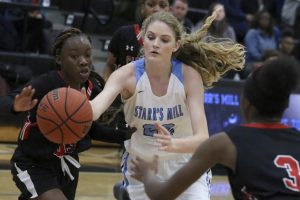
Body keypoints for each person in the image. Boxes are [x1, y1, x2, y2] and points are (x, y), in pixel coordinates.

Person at [89, 10, 245, 199]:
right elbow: (95, 109)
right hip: (142, 167)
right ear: (142, 39)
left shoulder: (189, 77)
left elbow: (202, 138)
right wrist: (80, 107)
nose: (155, 44)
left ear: (176, 45)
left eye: (164, 40)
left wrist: (174, 144)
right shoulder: (125, 75)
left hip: (186, 166)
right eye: (151, 37)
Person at [130, 57, 300, 200]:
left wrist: (148, 173)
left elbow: (161, 195)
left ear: (246, 103)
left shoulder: (225, 143)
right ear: (285, 106)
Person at [0, 27, 134, 200]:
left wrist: (126, 135)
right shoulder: (46, 84)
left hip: (67, 163)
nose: (84, 61)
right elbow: (4, 101)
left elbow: (89, 129)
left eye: (87, 55)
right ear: (59, 59)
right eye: (74, 56)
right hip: (34, 163)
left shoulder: (91, 88)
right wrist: (16, 105)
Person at [102, 0, 170, 81]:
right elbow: (109, 66)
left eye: (162, 6)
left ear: (169, 10)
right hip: (121, 90)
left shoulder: (174, 41)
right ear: (142, 8)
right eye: (151, 4)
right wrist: (107, 90)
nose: (157, 9)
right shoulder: (123, 34)